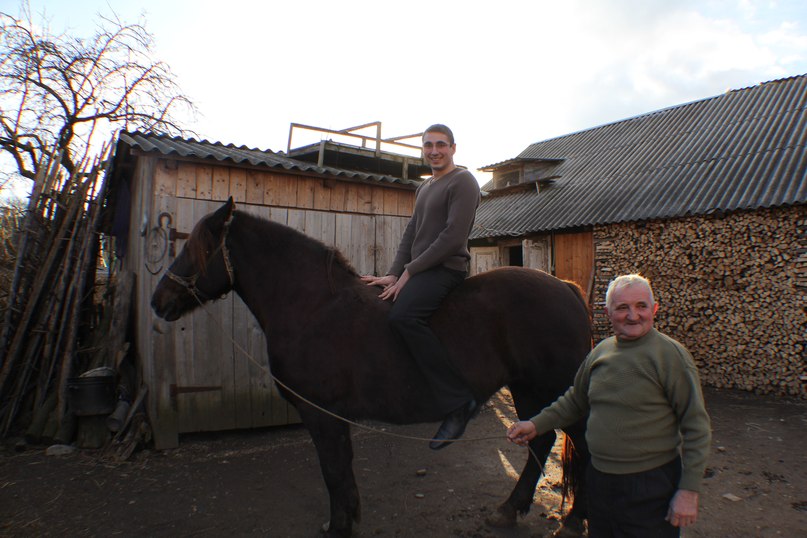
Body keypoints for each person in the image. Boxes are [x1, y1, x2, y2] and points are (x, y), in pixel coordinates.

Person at [507, 274, 711, 537]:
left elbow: (696, 427)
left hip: (650, 485)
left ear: (654, 309)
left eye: (641, 306)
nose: (633, 315)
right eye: (622, 307)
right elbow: (575, 400)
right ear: (607, 313)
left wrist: (689, 490)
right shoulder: (600, 353)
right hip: (600, 480)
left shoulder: (671, 357)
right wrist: (535, 424)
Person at [361, 124, 480, 450]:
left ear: (453, 148)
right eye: (428, 145)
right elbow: (412, 233)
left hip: (446, 268)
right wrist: (393, 272)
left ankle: (459, 402)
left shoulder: (464, 181)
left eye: (441, 145)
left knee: (404, 317)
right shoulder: (424, 187)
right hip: (421, 270)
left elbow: (453, 237)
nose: (434, 151)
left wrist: (410, 273)